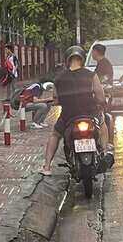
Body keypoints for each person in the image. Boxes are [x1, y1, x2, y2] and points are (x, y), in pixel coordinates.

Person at [41, 46, 112, 175]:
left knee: (55, 135)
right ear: (83, 59)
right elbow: (100, 96)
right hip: (90, 113)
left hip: (68, 116)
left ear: (67, 60)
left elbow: (56, 99)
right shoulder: (91, 75)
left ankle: (46, 167)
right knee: (102, 124)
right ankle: (105, 152)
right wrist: (102, 103)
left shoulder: (59, 78)